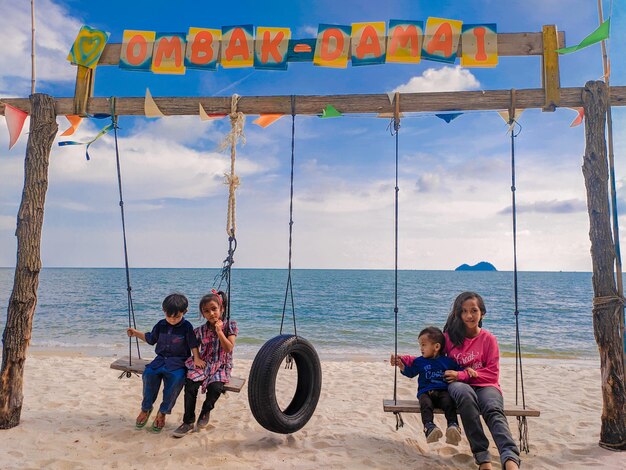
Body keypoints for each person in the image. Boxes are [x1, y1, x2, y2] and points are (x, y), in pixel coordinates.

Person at [443, 292, 521, 470]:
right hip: (459, 387)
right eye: (464, 311)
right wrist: (406, 364)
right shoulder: (449, 338)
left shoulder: (489, 339)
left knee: (493, 409)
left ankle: (510, 458)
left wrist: (463, 374)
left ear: (482, 313)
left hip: (486, 385)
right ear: (458, 314)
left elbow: (492, 374)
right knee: (466, 397)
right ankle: (484, 460)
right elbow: (436, 362)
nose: (469, 315)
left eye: (474, 310)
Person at [127, 293, 205, 433]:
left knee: (176, 380)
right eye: (169, 316)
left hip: (178, 362)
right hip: (160, 360)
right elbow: (151, 339)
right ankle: (146, 408)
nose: (172, 320)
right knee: (148, 374)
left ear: (184, 312)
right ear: (164, 311)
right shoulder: (161, 324)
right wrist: (135, 333)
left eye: (176, 317)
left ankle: (162, 412)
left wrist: (197, 358)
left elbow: (193, 345)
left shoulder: (187, 327)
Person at [173, 289, 238, 438]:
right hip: (205, 363)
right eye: (206, 311)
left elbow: (228, 348)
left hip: (221, 365)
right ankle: (188, 421)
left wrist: (220, 331)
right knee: (190, 384)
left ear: (221, 309)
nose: (211, 314)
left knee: (215, 387)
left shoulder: (230, 326)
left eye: (214, 309)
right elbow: (192, 343)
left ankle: (205, 411)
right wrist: (196, 357)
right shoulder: (200, 330)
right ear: (203, 314)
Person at [391, 326, 471, 445]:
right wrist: (402, 366)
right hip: (425, 392)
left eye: (424, 345)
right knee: (425, 405)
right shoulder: (420, 361)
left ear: (436, 347)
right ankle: (429, 428)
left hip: (443, 391)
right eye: (420, 345)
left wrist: (467, 371)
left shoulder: (447, 361)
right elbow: (411, 373)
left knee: (449, 402)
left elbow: (459, 371)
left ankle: (453, 426)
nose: (421, 348)